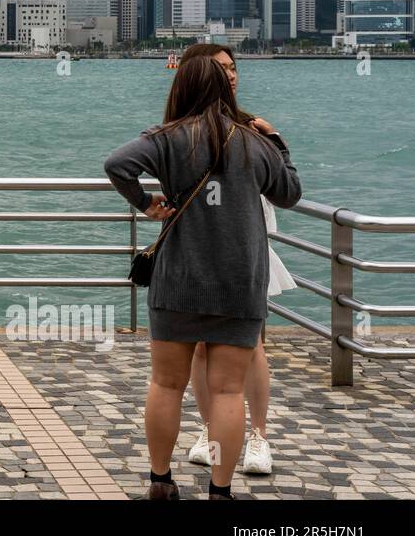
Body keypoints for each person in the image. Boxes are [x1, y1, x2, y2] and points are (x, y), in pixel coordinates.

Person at [104, 55, 300, 499]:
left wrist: (145, 203)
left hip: (178, 281)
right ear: (226, 89)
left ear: (181, 88)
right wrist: (279, 142)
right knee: (229, 391)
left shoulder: (167, 139)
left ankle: (160, 481)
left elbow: (117, 163)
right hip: (239, 282)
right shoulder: (254, 142)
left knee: (165, 384)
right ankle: (220, 489)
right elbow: (289, 193)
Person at [179, 44, 294, 476]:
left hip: (246, 247)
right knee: (202, 346)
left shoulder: (251, 127)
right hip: (199, 249)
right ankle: (211, 432)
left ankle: (259, 437)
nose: (231, 75)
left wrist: (277, 140)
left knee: (252, 345)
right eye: (221, 68)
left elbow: (283, 187)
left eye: (234, 67)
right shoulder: (182, 131)